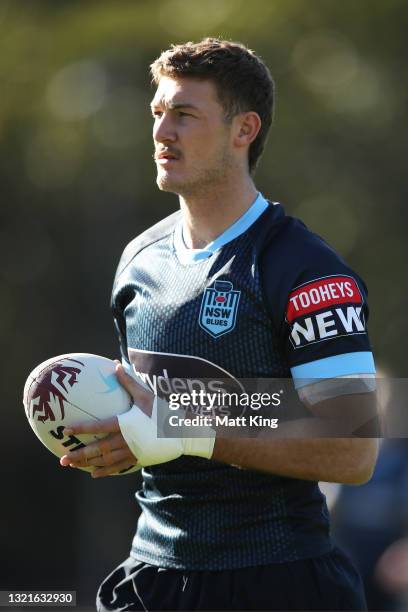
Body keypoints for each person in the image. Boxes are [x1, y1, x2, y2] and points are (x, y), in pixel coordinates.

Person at [60, 38, 378, 611]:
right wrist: (114, 433)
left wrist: (188, 430)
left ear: (244, 129)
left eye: (184, 114)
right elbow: (151, 421)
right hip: (153, 576)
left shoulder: (305, 269)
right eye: (158, 113)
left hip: (277, 581)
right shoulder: (140, 259)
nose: (162, 133)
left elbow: (352, 451)